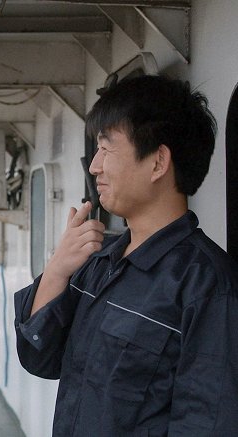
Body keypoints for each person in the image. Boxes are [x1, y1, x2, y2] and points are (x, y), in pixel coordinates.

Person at [14, 75, 238, 436]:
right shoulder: (100, 263)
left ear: (157, 162)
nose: (94, 167)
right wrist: (57, 268)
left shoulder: (206, 285)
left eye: (107, 148)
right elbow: (39, 356)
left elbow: (208, 424)